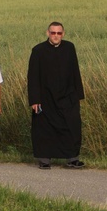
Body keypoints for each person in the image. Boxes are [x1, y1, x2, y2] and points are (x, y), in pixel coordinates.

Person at [28, 22, 85, 170]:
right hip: (45, 96)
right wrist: (34, 99)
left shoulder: (69, 48)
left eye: (59, 33)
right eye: (53, 33)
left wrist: (78, 95)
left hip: (68, 96)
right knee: (44, 128)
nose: (56, 36)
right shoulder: (38, 50)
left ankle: (72, 158)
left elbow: (75, 71)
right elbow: (33, 76)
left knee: (72, 125)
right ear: (48, 33)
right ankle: (45, 159)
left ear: (63, 34)